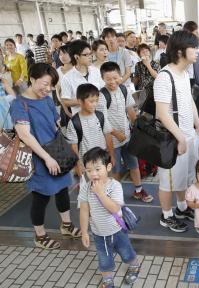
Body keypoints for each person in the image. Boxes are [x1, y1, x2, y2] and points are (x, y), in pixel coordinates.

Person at [10, 63, 82, 249]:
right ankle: (40, 236)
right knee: (41, 198)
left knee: (62, 189)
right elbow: (25, 135)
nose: (48, 89)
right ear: (32, 79)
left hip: (56, 153)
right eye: (44, 84)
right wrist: (47, 158)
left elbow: (56, 124)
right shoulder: (19, 104)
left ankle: (66, 225)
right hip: (38, 158)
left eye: (51, 85)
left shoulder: (48, 99)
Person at [153, 30, 199, 232]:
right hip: (173, 140)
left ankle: (182, 208)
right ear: (181, 51)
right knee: (168, 180)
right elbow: (162, 114)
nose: (198, 50)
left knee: (186, 175)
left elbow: (188, 99)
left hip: (188, 135)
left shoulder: (184, 72)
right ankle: (167, 215)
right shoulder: (165, 77)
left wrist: (197, 121)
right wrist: (181, 138)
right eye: (194, 47)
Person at [79, 147, 140, 288]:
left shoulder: (115, 186)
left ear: (108, 167)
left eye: (97, 169)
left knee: (127, 252)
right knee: (103, 259)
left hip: (117, 230)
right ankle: (107, 280)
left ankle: (134, 266)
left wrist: (100, 193)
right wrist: (84, 232)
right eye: (89, 171)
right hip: (99, 233)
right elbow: (83, 210)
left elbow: (115, 208)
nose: (93, 174)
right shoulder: (86, 188)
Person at [96, 62, 152, 202]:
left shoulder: (124, 89)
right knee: (115, 169)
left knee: (134, 164)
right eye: (108, 79)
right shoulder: (101, 96)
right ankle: (116, 195)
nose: (112, 82)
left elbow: (130, 110)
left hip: (127, 137)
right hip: (112, 140)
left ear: (120, 76)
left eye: (115, 77)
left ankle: (138, 190)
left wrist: (138, 126)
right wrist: (116, 134)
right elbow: (103, 121)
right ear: (102, 78)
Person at [66, 83, 114, 177]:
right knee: (89, 189)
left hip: (102, 161)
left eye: (96, 101)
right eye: (91, 101)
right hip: (86, 165)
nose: (94, 104)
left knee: (104, 187)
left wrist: (111, 155)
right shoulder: (75, 122)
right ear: (80, 101)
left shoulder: (100, 116)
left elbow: (108, 136)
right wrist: (78, 165)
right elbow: (74, 147)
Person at [60, 40, 104, 115]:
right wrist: (83, 101)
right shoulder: (67, 78)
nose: (90, 57)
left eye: (90, 54)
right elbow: (65, 101)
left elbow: (103, 90)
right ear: (76, 57)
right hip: (82, 118)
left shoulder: (96, 71)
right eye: (86, 55)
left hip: (100, 115)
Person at [55, 44, 73, 126]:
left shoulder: (78, 69)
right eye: (60, 54)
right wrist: (66, 111)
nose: (63, 56)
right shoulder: (58, 71)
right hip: (65, 105)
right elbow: (58, 93)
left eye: (65, 53)